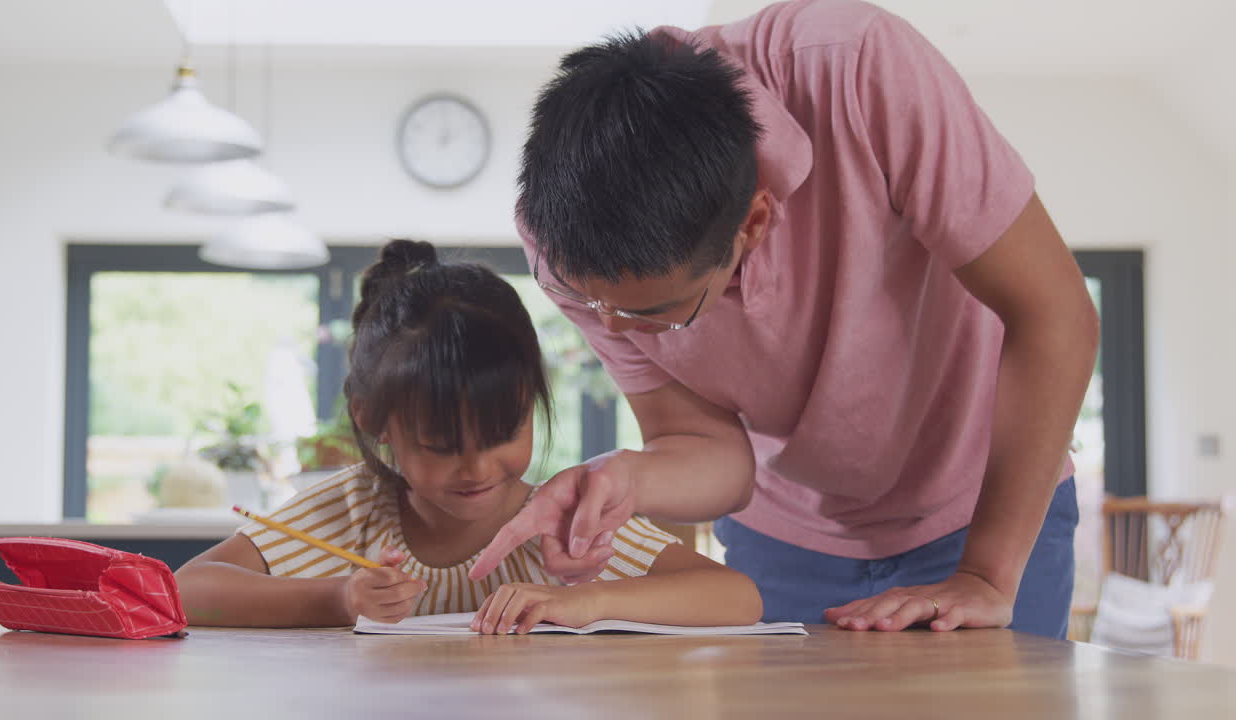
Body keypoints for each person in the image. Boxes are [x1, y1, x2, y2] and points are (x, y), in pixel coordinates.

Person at [470, 0, 1098, 639]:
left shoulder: (856, 70)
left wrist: (987, 575)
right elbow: (703, 446)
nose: (614, 328)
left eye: (652, 312)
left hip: (985, 506)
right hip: (786, 533)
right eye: (593, 303)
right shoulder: (564, 246)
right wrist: (625, 477)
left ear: (754, 222)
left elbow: (1054, 314)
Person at [175, 240, 762, 634]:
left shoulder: (559, 520)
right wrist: (338, 598)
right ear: (373, 419)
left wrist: (584, 601)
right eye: (442, 445)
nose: (478, 468)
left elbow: (737, 597)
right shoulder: (353, 507)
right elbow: (187, 591)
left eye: (503, 433)